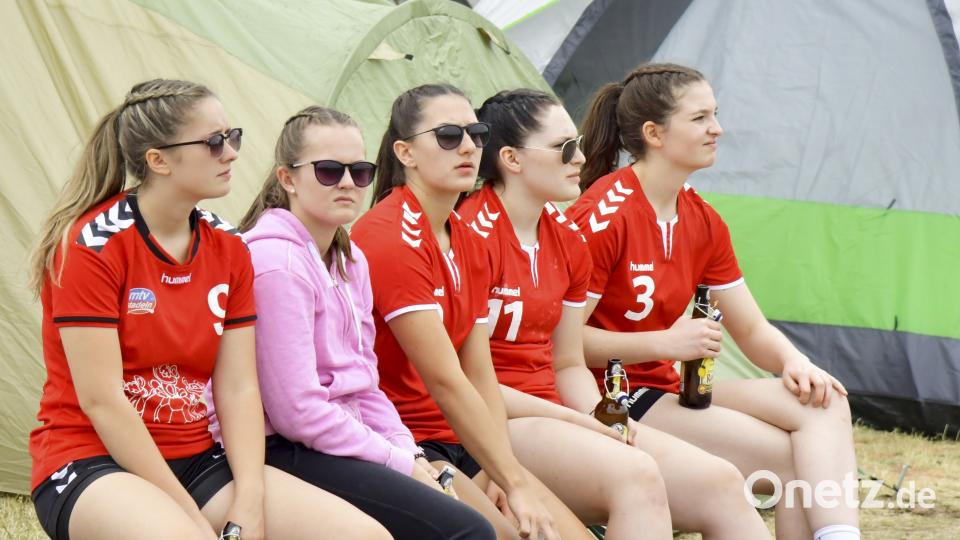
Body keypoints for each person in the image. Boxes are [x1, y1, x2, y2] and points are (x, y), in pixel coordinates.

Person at [27, 79, 389, 540]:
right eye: (215, 142)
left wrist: (250, 500)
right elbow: (103, 402)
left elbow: (238, 386)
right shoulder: (92, 245)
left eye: (232, 136)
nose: (232, 153)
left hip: (196, 457)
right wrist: (195, 520)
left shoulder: (229, 247)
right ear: (158, 161)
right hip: (91, 458)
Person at [567, 63, 861, 540]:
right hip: (611, 396)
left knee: (823, 401)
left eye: (715, 114)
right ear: (654, 133)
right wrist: (666, 340)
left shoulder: (700, 216)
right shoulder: (605, 215)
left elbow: (751, 330)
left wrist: (794, 360)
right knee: (787, 463)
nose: (717, 128)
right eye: (700, 118)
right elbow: (562, 346)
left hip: (667, 389)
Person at [206, 105, 495, 540]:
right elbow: (296, 413)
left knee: (477, 524)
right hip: (280, 447)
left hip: (336, 436)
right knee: (464, 531)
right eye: (327, 170)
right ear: (288, 179)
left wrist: (406, 451)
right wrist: (398, 464)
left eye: (359, 172)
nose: (346, 182)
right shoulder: (275, 263)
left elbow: (365, 383)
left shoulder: (349, 258)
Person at [352, 83, 590, 540]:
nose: (468, 147)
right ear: (405, 152)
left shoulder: (464, 236)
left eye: (476, 134)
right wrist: (511, 480)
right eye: (447, 136)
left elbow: (479, 372)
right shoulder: (390, 236)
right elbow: (445, 380)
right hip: (407, 441)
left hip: (462, 437)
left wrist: (500, 467)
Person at [459, 88, 672, 540]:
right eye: (564, 148)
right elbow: (464, 378)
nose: (580, 158)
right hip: (493, 420)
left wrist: (605, 416)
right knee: (639, 476)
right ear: (512, 160)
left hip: (550, 417)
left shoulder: (567, 238)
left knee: (712, 482)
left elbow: (569, 363)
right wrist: (578, 421)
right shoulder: (470, 234)